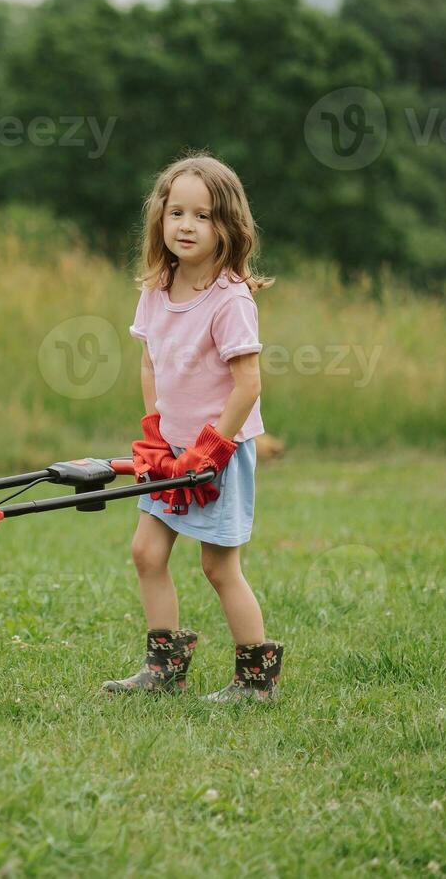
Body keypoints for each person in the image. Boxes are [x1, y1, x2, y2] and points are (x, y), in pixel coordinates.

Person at [101, 152, 284, 702]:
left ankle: (256, 681)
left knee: (218, 565)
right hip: (170, 450)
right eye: (176, 211)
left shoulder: (229, 300)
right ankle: (164, 671)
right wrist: (155, 431)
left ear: (228, 225)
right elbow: (150, 361)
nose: (186, 225)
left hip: (218, 453)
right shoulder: (157, 286)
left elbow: (248, 385)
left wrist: (212, 447)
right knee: (146, 553)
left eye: (202, 216)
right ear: (160, 216)